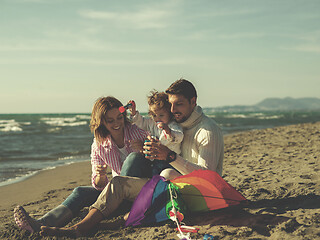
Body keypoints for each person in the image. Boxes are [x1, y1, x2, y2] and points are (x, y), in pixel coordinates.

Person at [39, 79, 224, 237]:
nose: (173, 109)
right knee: (115, 183)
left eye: (179, 104)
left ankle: (88, 226)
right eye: (171, 105)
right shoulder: (179, 124)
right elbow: (148, 125)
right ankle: (81, 226)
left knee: (160, 171)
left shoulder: (206, 131)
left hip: (191, 194)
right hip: (168, 185)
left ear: (193, 101)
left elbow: (207, 178)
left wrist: (168, 155)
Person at [13, 96, 151, 233]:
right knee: (80, 192)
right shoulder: (99, 145)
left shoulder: (137, 131)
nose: (117, 123)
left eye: (120, 118)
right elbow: (98, 184)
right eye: (110, 120)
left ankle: (89, 221)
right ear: (101, 122)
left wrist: (144, 148)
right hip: (115, 195)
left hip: (141, 193)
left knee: (133, 158)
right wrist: (101, 176)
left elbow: (161, 154)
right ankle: (42, 223)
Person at [127, 90, 183, 176]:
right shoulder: (152, 123)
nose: (157, 119)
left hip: (171, 162)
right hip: (156, 161)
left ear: (169, 114)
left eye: (161, 115)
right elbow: (141, 122)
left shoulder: (172, 125)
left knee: (166, 177)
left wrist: (169, 131)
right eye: (154, 115)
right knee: (155, 178)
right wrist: (133, 112)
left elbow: (179, 136)